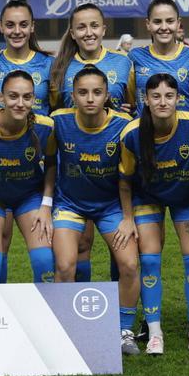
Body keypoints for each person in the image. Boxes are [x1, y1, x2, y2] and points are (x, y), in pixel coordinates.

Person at [50, 66, 140, 355]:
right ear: (73, 96)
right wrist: (44, 205)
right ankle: (68, 326)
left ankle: (124, 331)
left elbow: (129, 176)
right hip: (70, 204)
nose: (90, 98)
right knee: (65, 266)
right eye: (83, 92)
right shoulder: (58, 122)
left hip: (110, 206)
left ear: (107, 96)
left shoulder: (123, 125)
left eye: (97, 92)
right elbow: (50, 162)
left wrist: (128, 217)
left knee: (129, 265)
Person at [119, 73, 189, 356]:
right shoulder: (132, 133)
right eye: (155, 96)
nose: (162, 102)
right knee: (149, 259)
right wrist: (126, 217)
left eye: (168, 96)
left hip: (185, 198)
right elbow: (124, 180)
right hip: (148, 198)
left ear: (178, 99)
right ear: (146, 100)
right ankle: (154, 332)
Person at [0, 72, 56, 284]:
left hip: (29, 198)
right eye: (13, 96)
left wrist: (46, 204)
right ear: (1, 98)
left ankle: (44, 315)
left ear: (34, 99)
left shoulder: (46, 127)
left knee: (44, 259)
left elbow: (52, 164)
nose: (20, 103)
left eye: (27, 97)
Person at [49, 2, 134, 114]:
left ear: (103, 30)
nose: (89, 33)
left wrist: (132, 111)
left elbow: (134, 105)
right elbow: (54, 110)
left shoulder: (123, 61)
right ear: (73, 33)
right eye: (81, 27)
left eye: (94, 26)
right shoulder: (60, 66)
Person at [0, 0, 53, 115]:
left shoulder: (49, 63)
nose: (17, 31)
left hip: (38, 133)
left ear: (32, 26)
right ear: (1, 26)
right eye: (10, 25)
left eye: (23, 25)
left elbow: (58, 107)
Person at [130, 0, 189, 112]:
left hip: (186, 129)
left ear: (178, 23)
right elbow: (128, 102)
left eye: (170, 21)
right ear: (148, 24)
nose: (164, 27)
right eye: (157, 21)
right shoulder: (134, 57)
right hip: (145, 129)